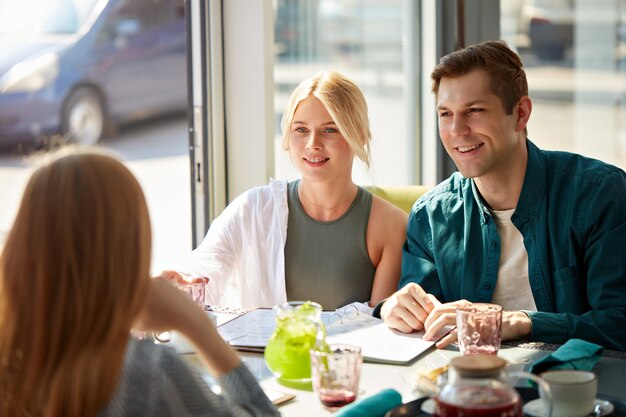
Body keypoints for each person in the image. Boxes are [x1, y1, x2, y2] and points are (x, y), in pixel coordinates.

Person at [377, 40, 626, 352]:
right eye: (445, 114)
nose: (457, 130)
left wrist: (522, 322)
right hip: (469, 388)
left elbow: (619, 321)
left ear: (520, 114)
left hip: (575, 389)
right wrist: (393, 308)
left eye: (475, 111)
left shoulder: (598, 193)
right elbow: (421, 318)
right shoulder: (431, 215)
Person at [0, 148, 279, 416]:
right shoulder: (148, 376)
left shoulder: (13, 354)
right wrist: (197, 326)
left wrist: (123, 310)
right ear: (128, 248)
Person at [167, 71, 407, 310]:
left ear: (360, 135)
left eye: (330, 130)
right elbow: (205, 265)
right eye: (301, 129)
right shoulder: (253, 208)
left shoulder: (391, 225)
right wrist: (177, 283)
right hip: (262, 349)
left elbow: (381, 326)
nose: (313, 143)